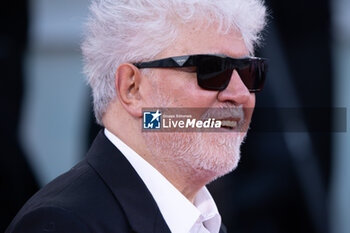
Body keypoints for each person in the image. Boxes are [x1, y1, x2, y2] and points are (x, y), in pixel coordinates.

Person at [6, 0, 267, 232]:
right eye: (211, 70)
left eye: (249, 71)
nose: (241, 94)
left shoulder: (205, 222)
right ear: (132, 88)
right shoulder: (63, 223)